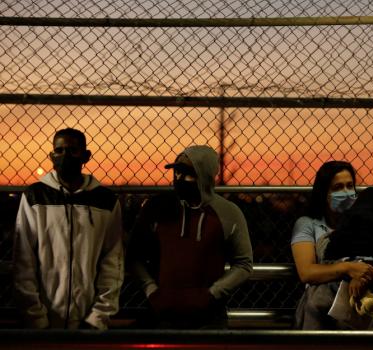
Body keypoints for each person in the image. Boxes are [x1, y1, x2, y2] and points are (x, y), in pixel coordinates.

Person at [127, 145, 253, 329]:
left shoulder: (228, 212)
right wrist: (151, 290)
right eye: (176, 172)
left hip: (209, 316)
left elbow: (243, 263)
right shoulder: (156, 208)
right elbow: (134, 255)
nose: (179, 178)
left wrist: (212, 293)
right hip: (161, 313)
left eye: (188, 173)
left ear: (205, 175)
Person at [13, 128, 124, 330]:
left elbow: (112, 261)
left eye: (72, 150)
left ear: (86, 156)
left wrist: (98, 318)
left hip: (89, 321)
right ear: (51, 156)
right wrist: (36, 317)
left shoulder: (105, 201)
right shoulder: (35, 197)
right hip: (42, 320)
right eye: (59, 150)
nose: (64, 156)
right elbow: (23, 261)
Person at [291, 161, 373, 329]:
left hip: (365, 297)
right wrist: (348, 269)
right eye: (337, 187)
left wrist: (361, 277)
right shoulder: (308, 224)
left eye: (350, 186)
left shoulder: (364, 219)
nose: (346, 192)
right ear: (323, 192)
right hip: (325, 303)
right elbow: (307, 272)